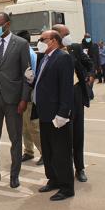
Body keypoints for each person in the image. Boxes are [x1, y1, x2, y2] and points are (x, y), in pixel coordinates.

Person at [0, 12, 31, 189]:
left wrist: (24, 98)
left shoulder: (21, 44)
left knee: (15, 139)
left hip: (13, 99)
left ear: (7, 24)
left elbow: (27, 74)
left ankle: (14, 175)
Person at [26, 30, 74, 200]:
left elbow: (66, 88)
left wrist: (63, 113)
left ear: (53, 41)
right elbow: (43, 81)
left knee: (61, 151)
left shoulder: (63, 57)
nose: (39, 42)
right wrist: (32, 80)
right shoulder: (44, 57)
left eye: (42, 39)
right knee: (48, 150)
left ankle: (66, 187)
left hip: (56, 115)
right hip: (44, 113)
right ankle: (53, 179)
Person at [53, 24, 94, 182]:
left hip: (76, 95)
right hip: (60, 99)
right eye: (66, 34)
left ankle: (80, 168)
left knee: (78, 134)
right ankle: (64, 170)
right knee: (63, 136)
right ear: (57, 36)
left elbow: (89, 64)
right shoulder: (51, 52)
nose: (69, 36)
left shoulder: (75, 48)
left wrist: (90, 77)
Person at [16, 30, 43, 165]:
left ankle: (44, 153)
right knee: (24, 126)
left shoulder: (29, 54)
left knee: (33, 126)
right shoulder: (23, 52)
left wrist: (25, 97)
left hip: (29, 95)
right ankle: (28, 151)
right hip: (21, 94)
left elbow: (29, 77)